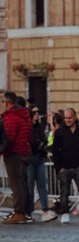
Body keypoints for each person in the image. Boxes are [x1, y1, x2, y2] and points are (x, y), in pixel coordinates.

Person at [52, 108, 79, 224]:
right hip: (64, 167)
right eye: (66, 118)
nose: (68, 120)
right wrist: (59, 167)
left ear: (75, 117)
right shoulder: (60, 132)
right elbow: (55, 151)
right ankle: (65, 213)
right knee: (64, 192)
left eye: (70, 118)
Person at [1, 92, 33, 224]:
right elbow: (29, 135)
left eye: (3, 102)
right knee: (21, 183)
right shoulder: (25, 115)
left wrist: (2, 150)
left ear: (7, 103)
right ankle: (24, 211)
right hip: (24, 151)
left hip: (14, 154)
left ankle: (19, 212)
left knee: (16, 184)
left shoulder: (11, 117)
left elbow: (9, 138)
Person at [26, 105, 56, 222]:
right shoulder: (28, 127)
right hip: (30, 158)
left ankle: (45, 210)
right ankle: (29, 211)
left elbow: (44, 140)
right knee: (29, 187)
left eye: (38, 112)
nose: (37, 114)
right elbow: (30, 141)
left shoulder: (40, 126)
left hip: (39, 158)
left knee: (42, 185)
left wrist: (42, 145)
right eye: (35, 112)